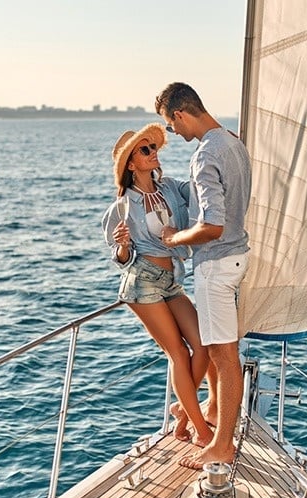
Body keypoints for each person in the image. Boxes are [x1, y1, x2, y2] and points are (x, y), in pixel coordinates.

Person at [155, 82, 251, 469]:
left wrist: (174, 237)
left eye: (170, 124)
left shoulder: (205, 153)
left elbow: (212, 225)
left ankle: (222, 446)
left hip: (216, 263)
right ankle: (212, 409)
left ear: (180, 113)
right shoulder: (233, 143)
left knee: (225, 357)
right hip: (237, 257)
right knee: (218, 350)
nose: (173, 133)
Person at [101, 123, 214, 447]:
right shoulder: (122, 208)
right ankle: (201, 431)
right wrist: (123, 245)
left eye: (153, 148)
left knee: (204, 344)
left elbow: (200, 189)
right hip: (143, 283)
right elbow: (121, 259)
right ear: (131, 164)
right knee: (178, 352)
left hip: (172, 282)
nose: (153, 153)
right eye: (145, 150)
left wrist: (218, 146)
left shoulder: (170, 189)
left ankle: (183, 413)